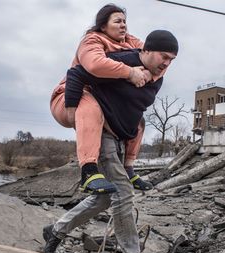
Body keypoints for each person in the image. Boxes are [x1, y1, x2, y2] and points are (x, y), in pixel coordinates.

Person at [44, 30, 179, 253]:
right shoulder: (125, 61)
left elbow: (134, 108)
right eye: (164, 56)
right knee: (123, 193)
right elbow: (77, 73)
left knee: (105, 199)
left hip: (119, 138)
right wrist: (74, 110)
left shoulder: (157, 76)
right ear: (146, 50)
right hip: (101, 133)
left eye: (172, 59)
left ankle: (56, 230)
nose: (167, 63)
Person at [50, 4, 154, 195]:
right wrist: (130, 72)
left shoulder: (131, 42)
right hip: (70, 97)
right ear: (103, 26)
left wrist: (148, 72)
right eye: (117, 21)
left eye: (125, 21)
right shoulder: (92, 40)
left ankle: (129, 169)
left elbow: (153, 57)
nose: (123, 25)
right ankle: (88, 172)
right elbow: (94, 65)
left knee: (138, 121)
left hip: (104, 103)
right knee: (90, 105)